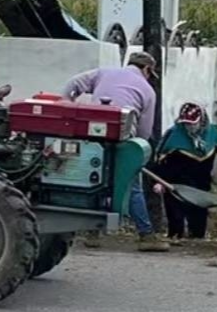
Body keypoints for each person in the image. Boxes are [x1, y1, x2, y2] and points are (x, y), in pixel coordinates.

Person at [62, 50, 169, 252]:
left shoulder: (104, 73)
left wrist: (67, 105)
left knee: (93, 180)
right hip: (123, 139)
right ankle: (146, 235)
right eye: (149, 73)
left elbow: (73, 84)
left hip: (92, 136)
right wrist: (136, 154)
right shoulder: (147, 90)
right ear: (147, 69)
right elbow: (145, 131)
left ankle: (92, 232)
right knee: (131, 185)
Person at [152, 102, 217, 242]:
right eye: (186, 124)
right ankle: (175, 237)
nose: (190, 127)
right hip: (175, 182)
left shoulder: (212, 133)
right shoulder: (174, 134)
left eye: (193, 124)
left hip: (200, 181)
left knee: (199, 211)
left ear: (202, 121)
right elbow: (162, 160)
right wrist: (159, 181)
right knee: (175, 213)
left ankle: (197, 238)